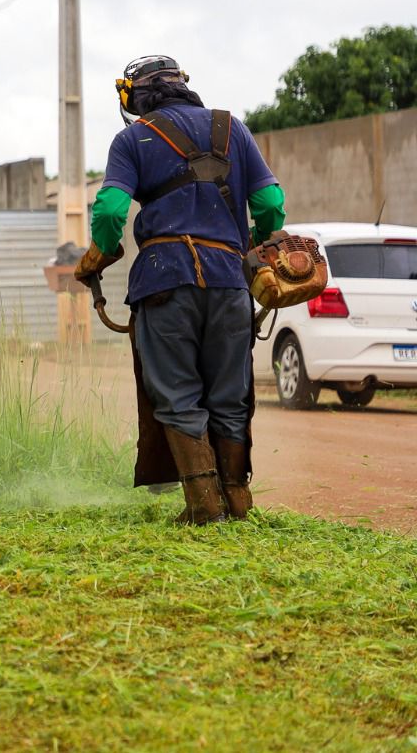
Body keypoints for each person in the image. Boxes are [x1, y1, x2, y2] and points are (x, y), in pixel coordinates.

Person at [74, 56, 286, 524]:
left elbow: (110, 212)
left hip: (163, 281)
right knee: (231, 395)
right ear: (182, 86)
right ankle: (238, 502)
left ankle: (203, 506)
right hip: (229, 280)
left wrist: (100, 254)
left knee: (177, 394)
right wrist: (250, 244)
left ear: (134, 97)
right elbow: (271, 203)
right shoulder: (232, 129)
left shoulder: (132, 139)